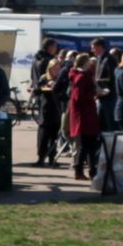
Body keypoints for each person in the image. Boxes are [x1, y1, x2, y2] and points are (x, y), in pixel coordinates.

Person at [67, 54, 101, 183]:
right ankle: (82, 171)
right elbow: (77, 97)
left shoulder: (80, 76)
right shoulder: (81, 77)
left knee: (88, 146)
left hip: (85, 114)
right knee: (86, 146)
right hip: (84, 115)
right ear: (84, 63)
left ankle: (90, 171)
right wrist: (94, 93)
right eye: (88, 62)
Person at [35, 55, 68, 167]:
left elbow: (65, 92)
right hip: (45, 109)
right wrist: (45, 86)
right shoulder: (44, 77)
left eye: (58, 68)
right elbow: (36, 90)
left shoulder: (62, 79)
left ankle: (52, 158)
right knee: (43, 135)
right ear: (50, 68)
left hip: (57, 109)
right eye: (55, 68)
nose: (57, 70)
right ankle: (40, 158)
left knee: (54, 136)